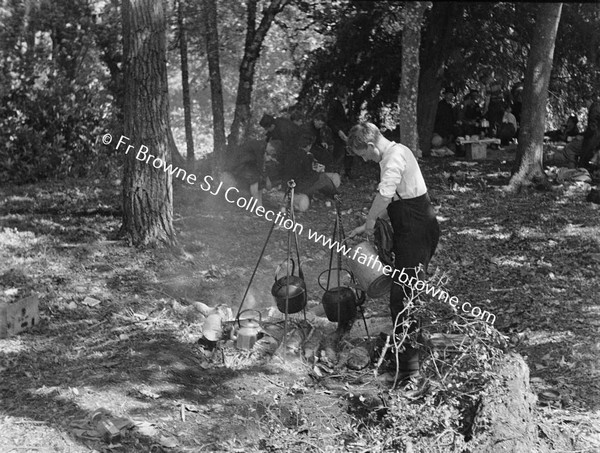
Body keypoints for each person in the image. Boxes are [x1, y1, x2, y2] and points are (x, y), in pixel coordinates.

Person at [347, 122, 440, 379]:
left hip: (417, 230)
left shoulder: (395, 155)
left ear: (369, 145)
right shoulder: (390, 157)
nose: (365, 160)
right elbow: (397, 201)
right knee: (404, 295)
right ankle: (408, 355)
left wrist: (370, 221)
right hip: (409, 226)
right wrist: (363, 225)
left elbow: (385, 195)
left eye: (363, 154)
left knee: (405, 296)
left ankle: (409, 370)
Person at [222, 139, 269, 208]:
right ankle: (258, 206)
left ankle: (259, 206)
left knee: (258, 182)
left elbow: (259, 161)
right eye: (272, 151)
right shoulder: (260, 146)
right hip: (241, 165)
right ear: (270, 145)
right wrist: (263, 174)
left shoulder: (261, 146)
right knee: (254, 180)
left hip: (246, 164)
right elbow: (259, 161)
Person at [327, 86, 352, 177]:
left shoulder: (349, 103)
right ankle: (335, 173)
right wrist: (338, 131)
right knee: (338, 153)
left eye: (344, 97)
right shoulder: (334, 104)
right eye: (340, 97)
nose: (342, 100)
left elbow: (350, 118)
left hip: (348, 131)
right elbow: (330, 120)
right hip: (338, 133)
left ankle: (347, 172)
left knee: (349, 152)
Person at [578, 94, 600, 169]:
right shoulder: (597, 107)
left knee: (584, 158)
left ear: (590, 100)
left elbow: (592, 128)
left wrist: (582, 136)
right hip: (596, 135)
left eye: (585, 102)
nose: (585, 105)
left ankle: (583, 174)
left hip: (595, 137)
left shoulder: (594, 109)